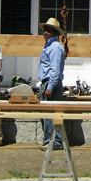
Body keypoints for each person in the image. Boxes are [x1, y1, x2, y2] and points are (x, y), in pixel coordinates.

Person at [37, 16, 66, 149]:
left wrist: (50, 86)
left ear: (54, 32)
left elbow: (55, 69)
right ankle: (49, 140)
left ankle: (54, 142)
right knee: (47, 115)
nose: (45, 32)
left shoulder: (55, 47)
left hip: (51, 84)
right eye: (45, 30)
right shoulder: (50, 46)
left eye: (48, 30)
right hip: (47, 83)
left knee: (51, 115)